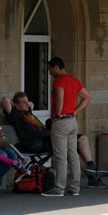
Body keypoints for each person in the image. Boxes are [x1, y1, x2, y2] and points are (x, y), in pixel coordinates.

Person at [42, 57, 92, 197]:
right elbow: (87, 97)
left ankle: (59, 189)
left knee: (61, 156)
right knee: (73, 155)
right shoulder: (74, 80)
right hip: (72, 121)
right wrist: (75, 111)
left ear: (56, 67)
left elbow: (59, 98)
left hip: (61, 122)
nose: (50, 73)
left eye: (50, 69)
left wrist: (56, 115)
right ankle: (75, 188)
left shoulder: (59, 81)